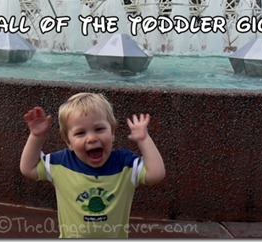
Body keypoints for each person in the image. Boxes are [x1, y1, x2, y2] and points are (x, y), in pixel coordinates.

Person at [20, 92, 165, 238]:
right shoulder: (62, 163)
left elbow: (156, 174)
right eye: (80, 133)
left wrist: (143, 139)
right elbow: (28, 168)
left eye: (99, 129)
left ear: (112, 132)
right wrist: (36, 137)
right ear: (68, 142)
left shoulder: (125, 164)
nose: (91, 138)